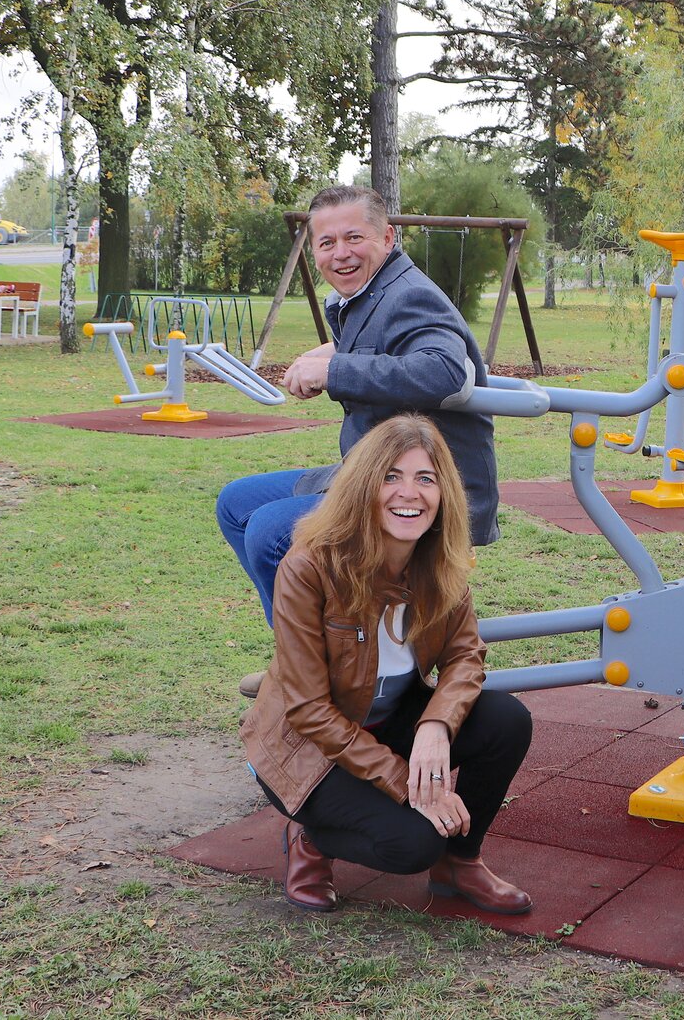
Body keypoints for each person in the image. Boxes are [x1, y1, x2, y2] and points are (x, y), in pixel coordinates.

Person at [241, 414, 533, 915]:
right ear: (362, 487)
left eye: (425, 478)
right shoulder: (309, 567)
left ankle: (459, 864)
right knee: (412, 844)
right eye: (390, 476)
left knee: (507, 719)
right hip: (310, 750)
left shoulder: (438, 563)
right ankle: (311, 837)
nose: (409, 494)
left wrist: (435, 727)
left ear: (443, 493)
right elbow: (309, 709)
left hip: (387, 725)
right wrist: (408, 784)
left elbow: (465, 655)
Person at [216, 184, 500, 680]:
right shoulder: (371, 293)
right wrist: (337, 349)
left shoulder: (409, 295)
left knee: (270, 532)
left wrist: (337, 369)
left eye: (354, 237)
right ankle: (305, 659)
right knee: (237, 504)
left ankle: (331, 670)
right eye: (326, 243)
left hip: (426, 491)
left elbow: (443, 371)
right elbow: (382, 344)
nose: (340, 253)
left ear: (387, 238)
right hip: (369, 474)